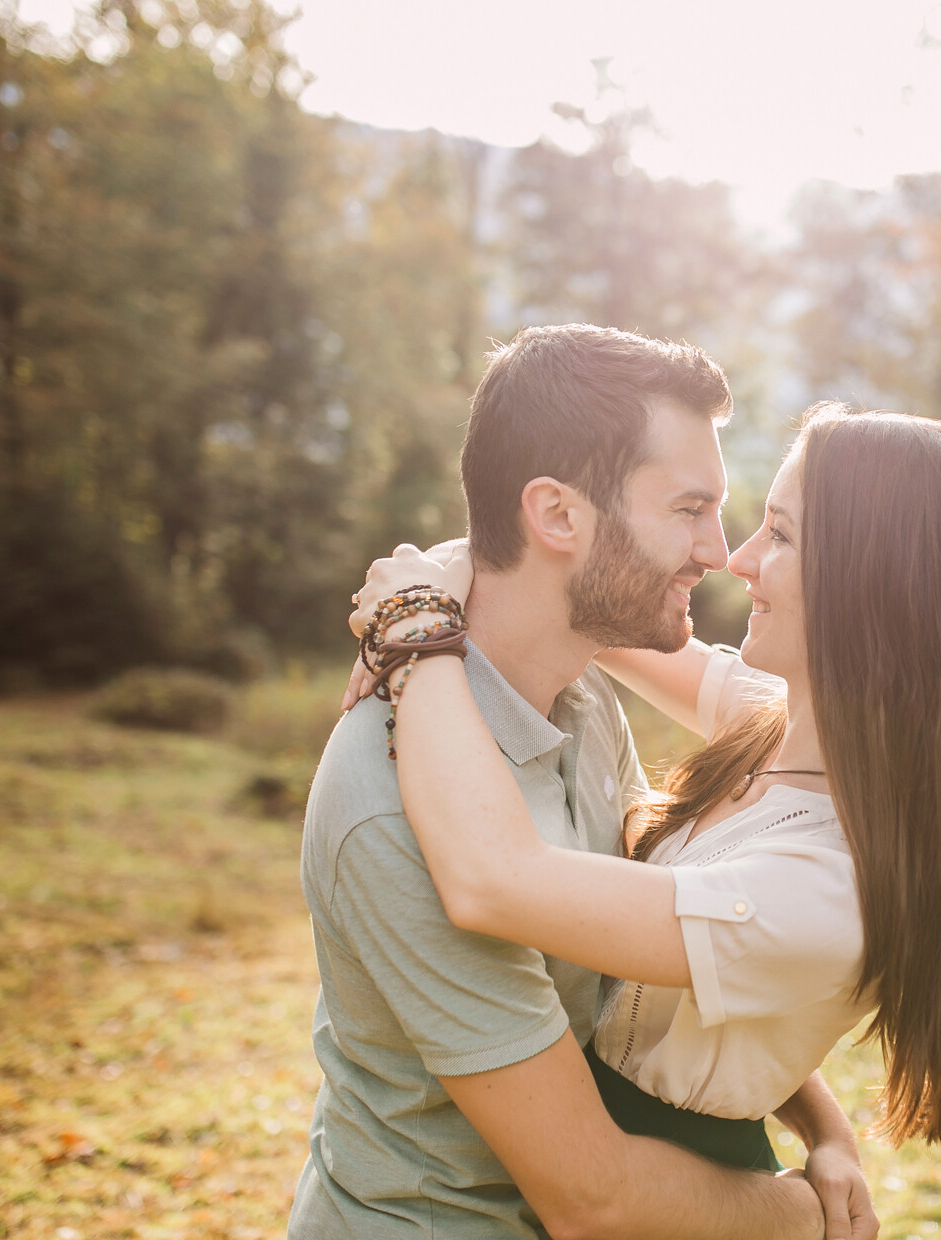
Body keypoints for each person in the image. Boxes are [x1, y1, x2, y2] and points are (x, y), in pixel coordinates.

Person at [351, 403, 941, 1200]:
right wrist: (443, 565)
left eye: (782, 536)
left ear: (877, 587)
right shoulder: (781, 722)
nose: (739, 559)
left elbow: (491, 880)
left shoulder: (831, 885)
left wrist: (414, 631)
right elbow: (575, 597)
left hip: (667, 1188)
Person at [291, 325, 873, 1240]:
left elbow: (649, 963)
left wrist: (822, 1122)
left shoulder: (587, 704)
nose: (720, 553)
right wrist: (803, 1212)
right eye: (690, 509)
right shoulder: (399, 801)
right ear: (559, 516)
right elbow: (591, 1198)